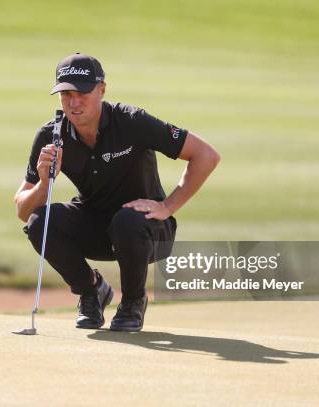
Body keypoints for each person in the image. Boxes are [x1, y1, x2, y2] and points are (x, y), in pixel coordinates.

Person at [14, 53, 220, 332]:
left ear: (101, 90)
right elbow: (23, 211)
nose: (74, 103)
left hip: (147, 229)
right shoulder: (52, 135)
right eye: (66, 94)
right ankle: (92, 291)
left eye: (83, 93)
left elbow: (206, 155)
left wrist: (168, 207)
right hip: (96, 227)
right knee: (40, 222)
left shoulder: (132, 121)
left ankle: (133, 302)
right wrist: (44, 183)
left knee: (127, 220)